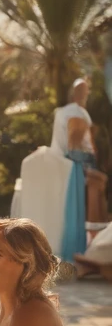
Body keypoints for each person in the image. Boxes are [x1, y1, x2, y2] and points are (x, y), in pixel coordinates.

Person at [51, 78, 109, 224]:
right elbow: (75, 139)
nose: (87, 93)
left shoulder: (60, 112)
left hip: (63, 162)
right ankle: (97, 230)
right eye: (85, 91)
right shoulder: (78, 111)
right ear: (80, 94)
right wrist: (82, 163)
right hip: (79, 159)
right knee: (97, 184)